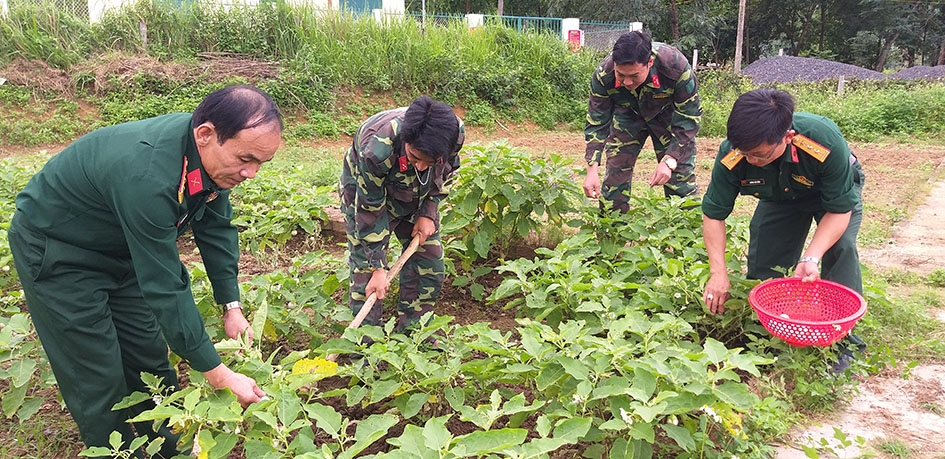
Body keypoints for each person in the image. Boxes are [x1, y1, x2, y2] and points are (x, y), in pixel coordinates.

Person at [7, 85, 281, 457]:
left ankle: (168, 448)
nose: (251, 173)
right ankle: (117, 451)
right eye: (246, 159)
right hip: (60, 252)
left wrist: (231, 306)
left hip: (120, 247)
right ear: (206, 134)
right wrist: (218, 374)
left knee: (148, 357)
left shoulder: (209, 160)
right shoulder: (148, 174)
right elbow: (164, 284)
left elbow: (215, 228)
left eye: (262, 162)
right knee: (97, 371)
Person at [701, 89, 866, 366]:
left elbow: (839, 210)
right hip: (780, 196)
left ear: (787, 137)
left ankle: (842, 343)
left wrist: (811, 257)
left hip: (828, 194)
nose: (750, 161)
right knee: (765, 261)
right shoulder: (733, 153)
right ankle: (766, 336)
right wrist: (718, 273)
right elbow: (713, 215)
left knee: (841, 248)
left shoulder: (823, 141)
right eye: (745, 153)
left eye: (759, 154)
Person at [339, 95, 463, 331]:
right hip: (367, 194)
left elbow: (448, 170)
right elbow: (369, 207)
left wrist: (428, 211)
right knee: (368, 277)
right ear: (406, 141)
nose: (421, 166)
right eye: (415, 157)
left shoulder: (453, 134)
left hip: (418, 193)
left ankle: (414, 329)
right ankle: (366, 342)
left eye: (430, 162)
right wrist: (377, 267)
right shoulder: (378, 149)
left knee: (429, 262)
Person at [583, 30, 702, 212]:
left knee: (680, 180)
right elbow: (597, 122)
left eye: (634, 76)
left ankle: (687, 229)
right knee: (614, 179)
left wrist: (670, 159)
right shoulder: (603, 75)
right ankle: (612, 228)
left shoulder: (675, 66)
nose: (627, 82)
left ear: (650, 63)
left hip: (668, 118)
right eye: (621, 75)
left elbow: (689, 117)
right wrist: (592, 169)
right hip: (627, 115)